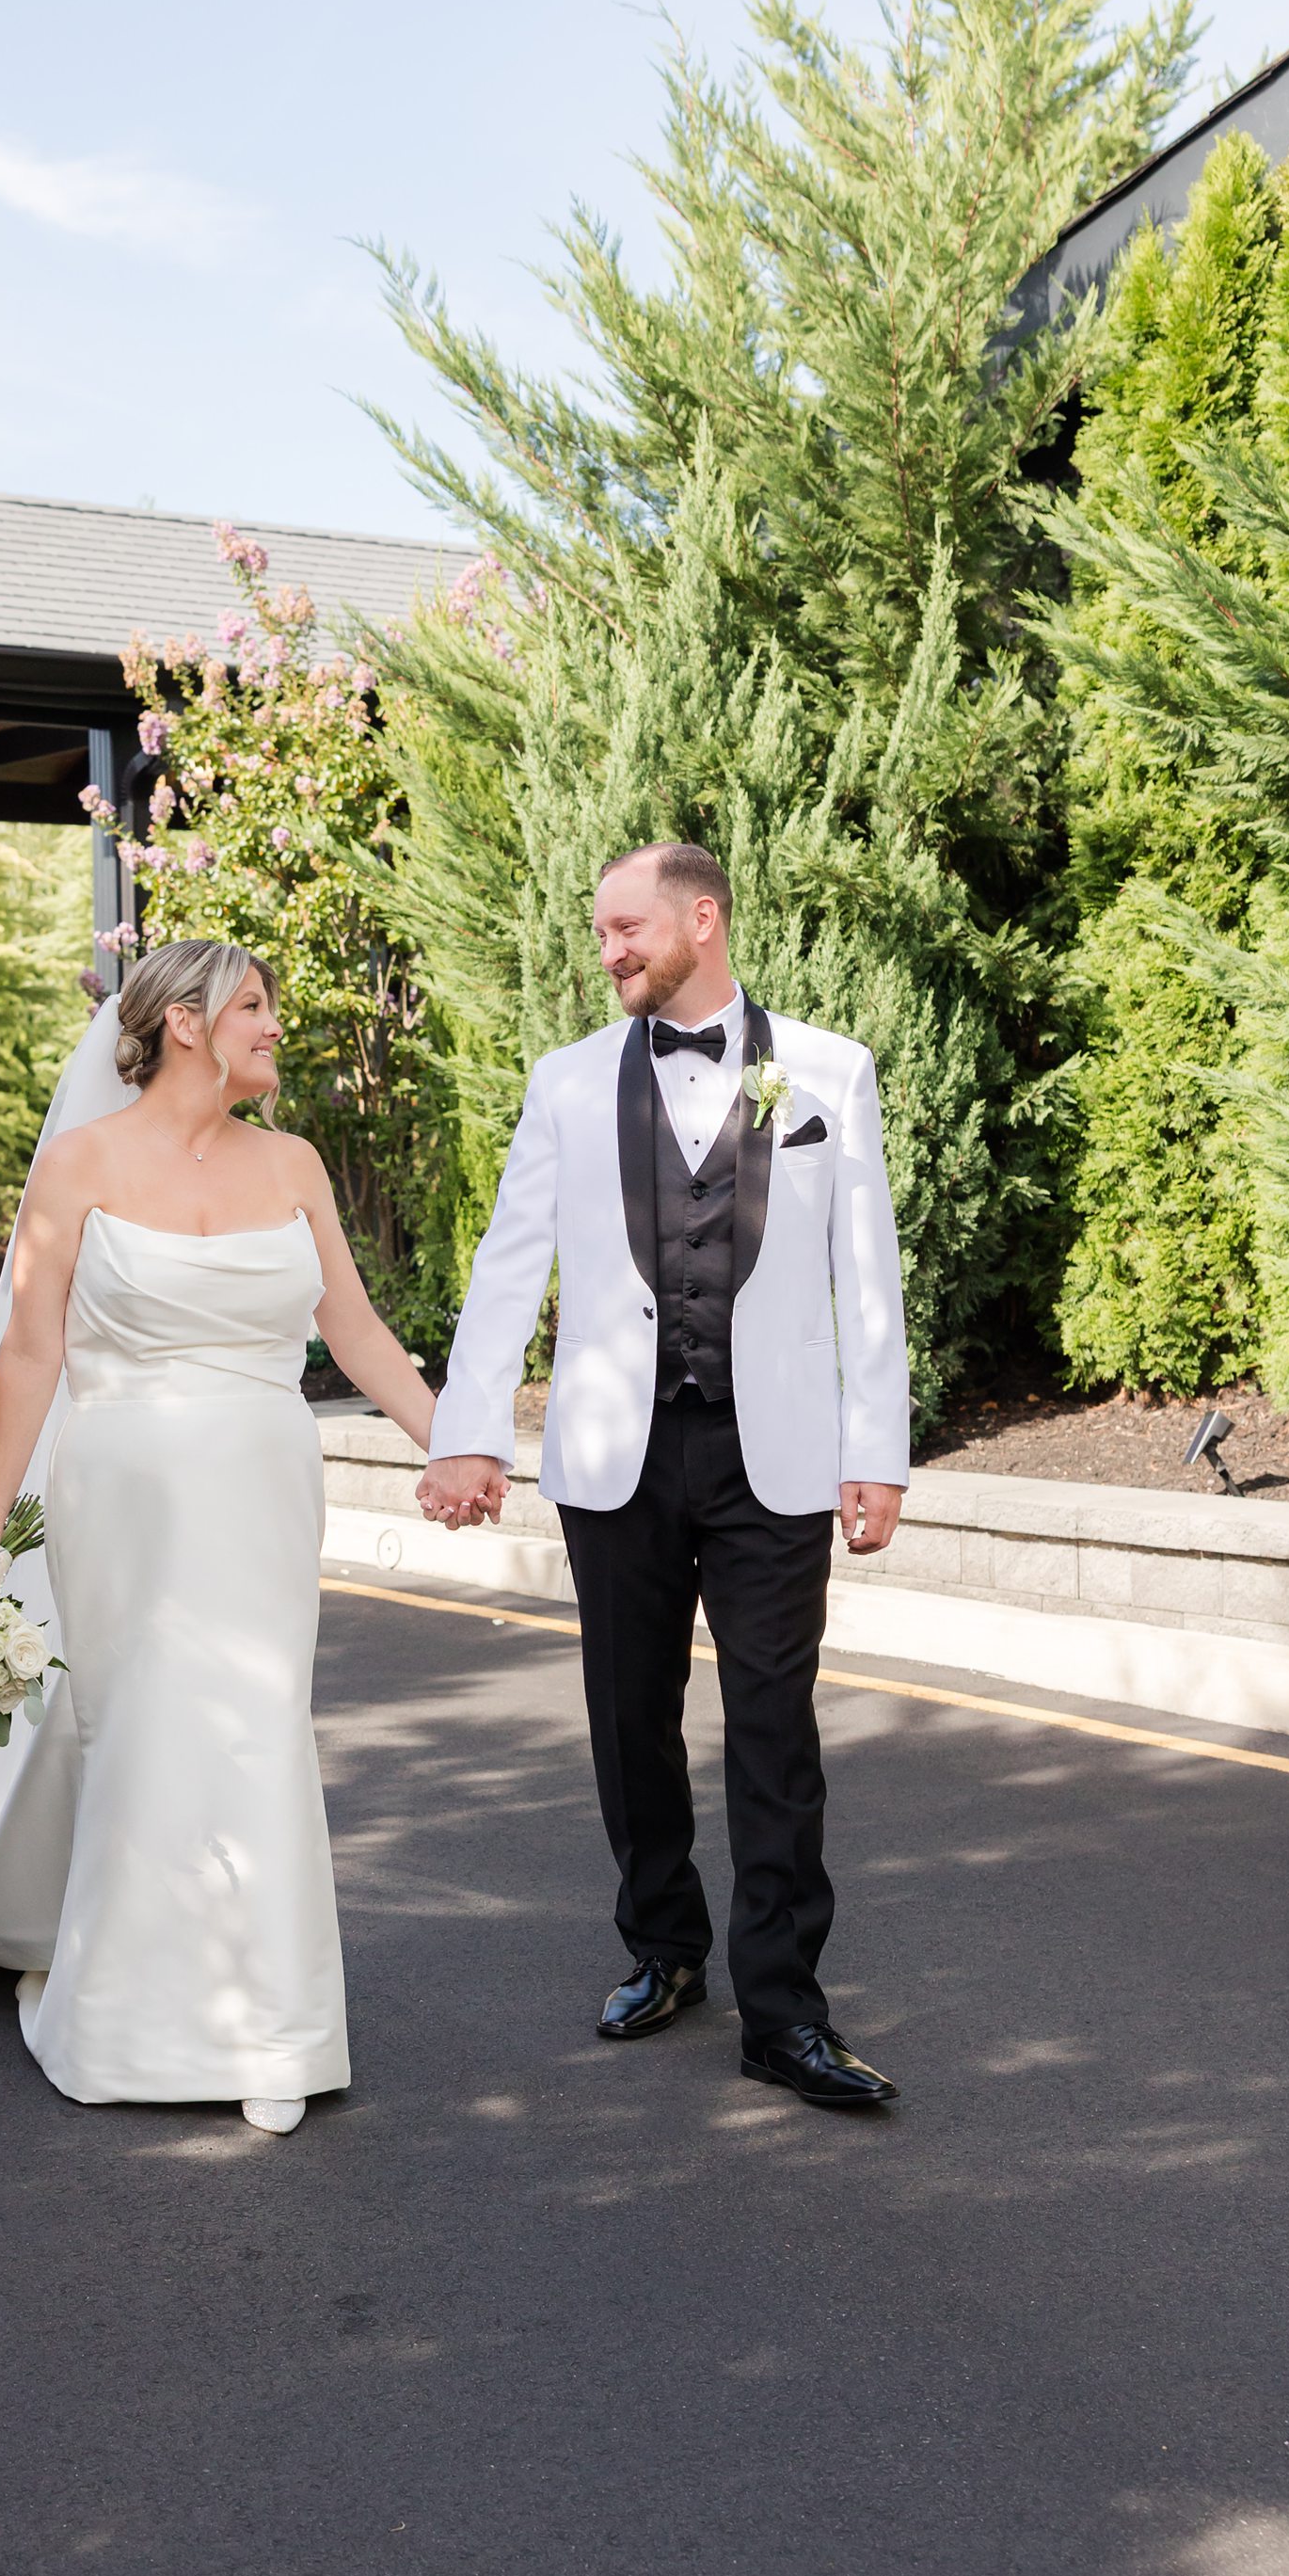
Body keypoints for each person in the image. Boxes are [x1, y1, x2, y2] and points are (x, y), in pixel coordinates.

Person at [0, 942, 440, 2138]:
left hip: (261, 1486)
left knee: (258, 1728)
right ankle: (132, 2022)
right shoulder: (80, 1164)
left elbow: (353, 1331)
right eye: (253, 1007)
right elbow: (34, 1353)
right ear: (188, 1025)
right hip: (124, 1495)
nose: (272, 1027)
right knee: (147, 1732)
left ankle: (274, 2031)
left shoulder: (296, 1164)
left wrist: (451, 1444)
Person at [418, 841, 910, 2109]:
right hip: (615, 1453)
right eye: (599, 932)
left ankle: (786, 2014)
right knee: (631, 1722)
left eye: (627, 926)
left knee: (774, 1733)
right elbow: (508, 1263)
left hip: (776, 1453)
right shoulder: (570, 1083)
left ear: (704, 918)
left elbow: (868, 1275)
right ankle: (664, 1948)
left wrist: (879, 1453)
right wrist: (470, 1428)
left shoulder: (825, 1073)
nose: (610, 950)